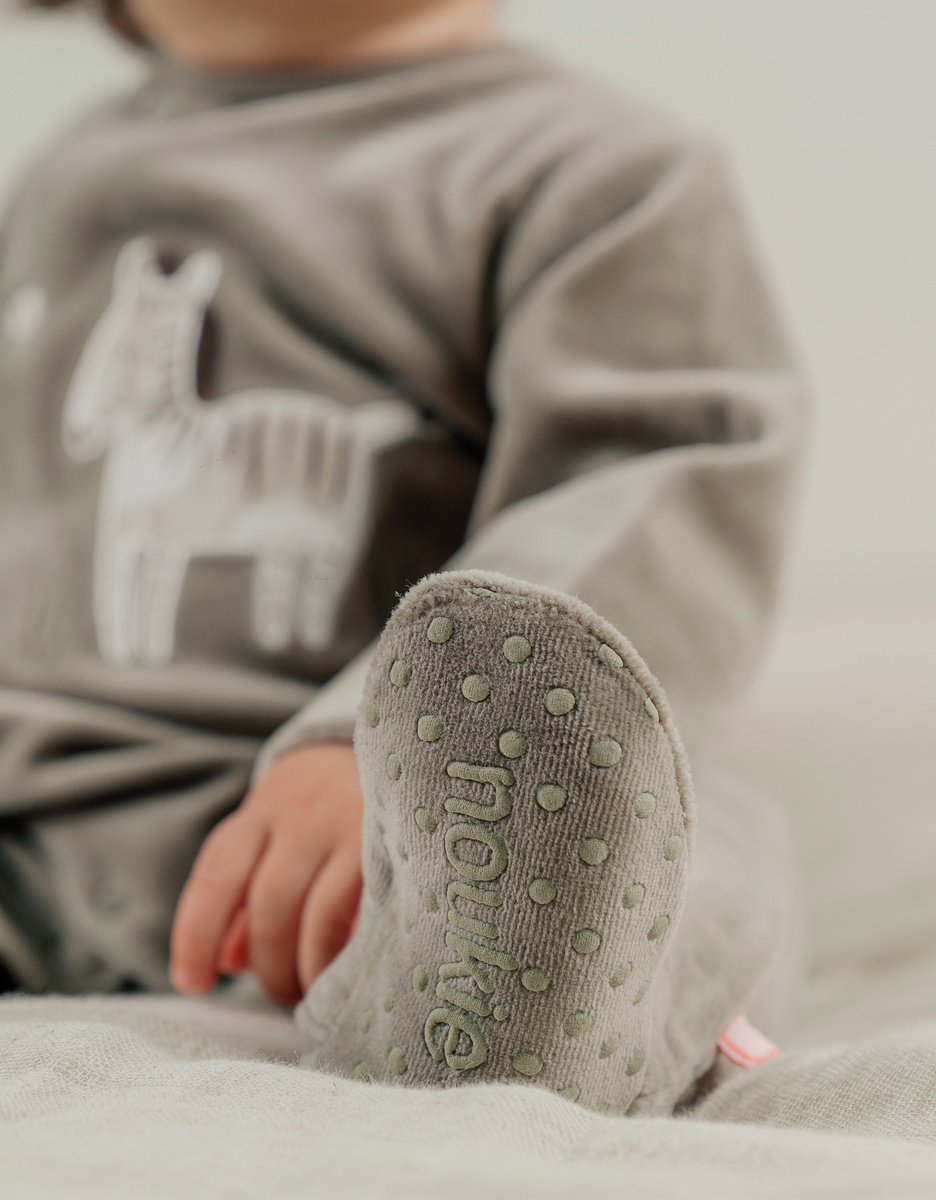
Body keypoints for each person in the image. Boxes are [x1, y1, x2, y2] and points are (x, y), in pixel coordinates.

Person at [0, 0, 803, 1113]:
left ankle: (539, 1001)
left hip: (411, 840)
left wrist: (357, 741)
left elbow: (647, 491)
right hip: (36, 822)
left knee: (690, 831)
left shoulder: (598, 173)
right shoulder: (64, 177)